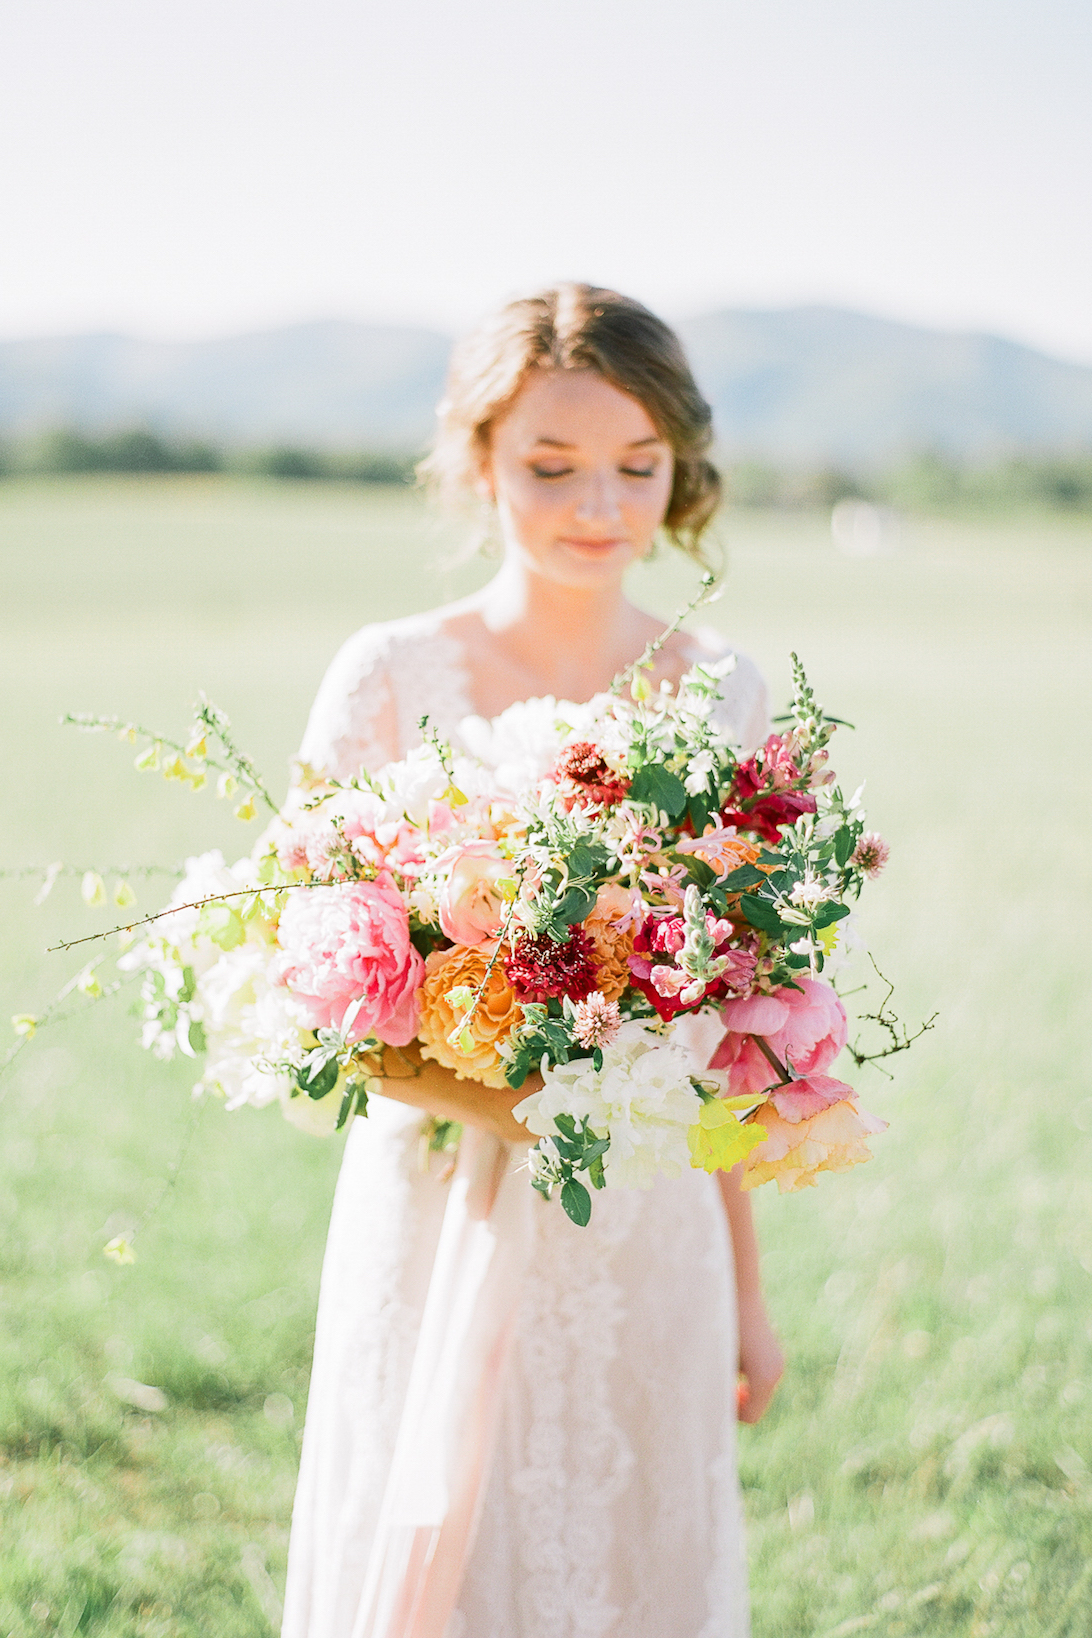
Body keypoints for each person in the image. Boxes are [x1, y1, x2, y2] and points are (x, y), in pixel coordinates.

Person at [281, 284, 784, 1638]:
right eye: (552, 467)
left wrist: (745, 1289)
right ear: (478, 461)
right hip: (434, 1202)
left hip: (643, 1215)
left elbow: (729, 1025)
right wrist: (486, 1064)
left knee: (631, 1555)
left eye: (638, 466)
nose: (600, 507)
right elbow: (306, 981)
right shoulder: (386, 678)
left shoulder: (723, 691)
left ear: (682, 468)